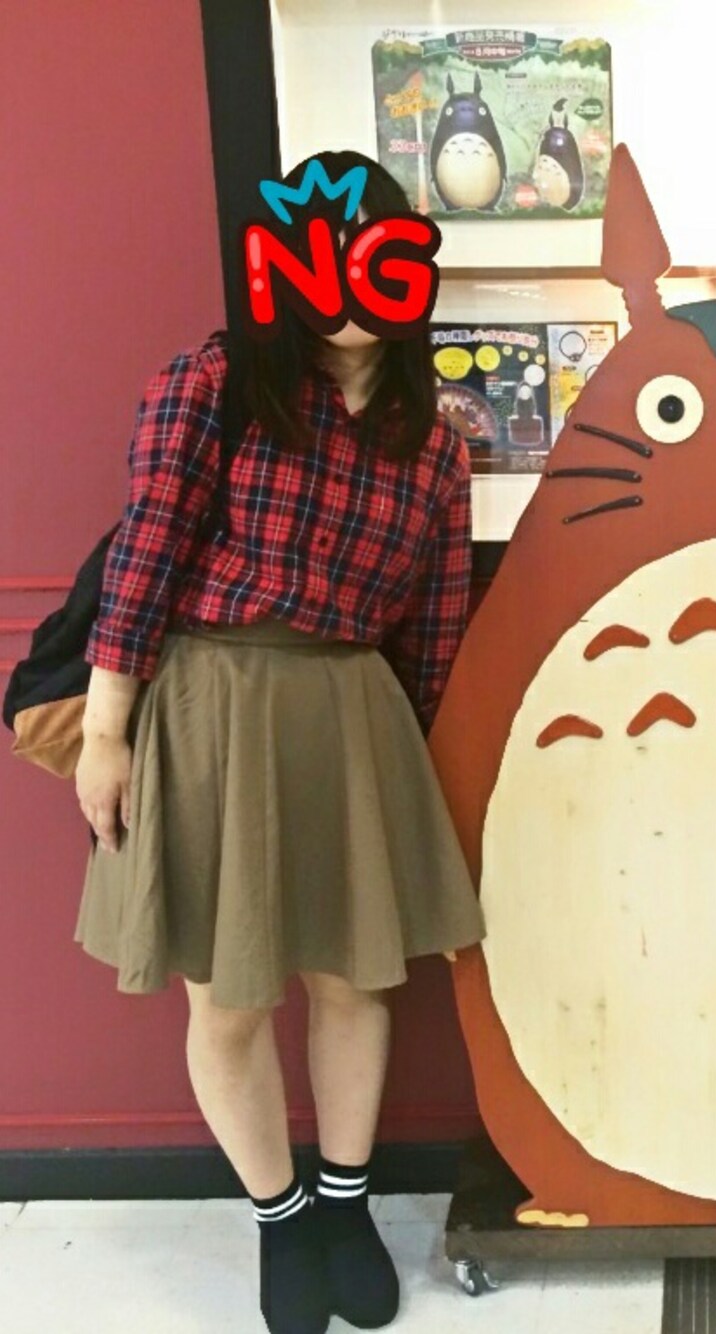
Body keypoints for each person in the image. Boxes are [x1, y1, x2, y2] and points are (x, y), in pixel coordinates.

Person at [72, 149, 487, 1334]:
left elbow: (437, 623)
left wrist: (412, 772)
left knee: (354, 979)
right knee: (229, 993)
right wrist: (107, 730)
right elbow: (147, 552)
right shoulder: (215, 382)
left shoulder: (438, 443)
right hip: (210, 703)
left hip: (355, 713)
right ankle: (280, 1213)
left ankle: (346, 1203)